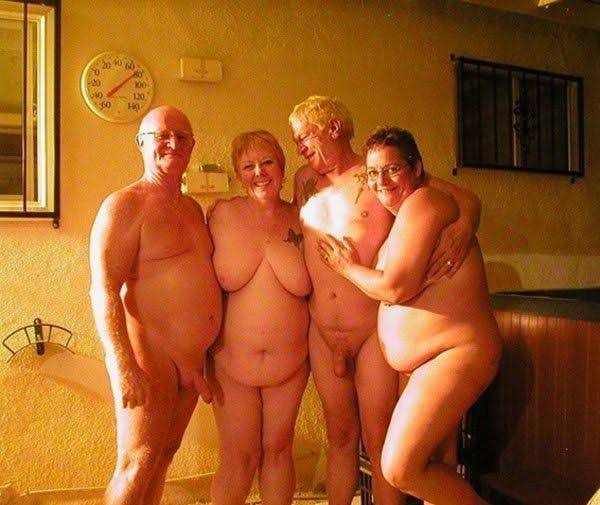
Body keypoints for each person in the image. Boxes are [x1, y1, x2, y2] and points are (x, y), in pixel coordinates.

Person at [289, 96, 482, 505]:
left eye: (305, 136)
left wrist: (465, 227)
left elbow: (465, 200)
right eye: (296, 140)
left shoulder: (379, 174)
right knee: (339, 436)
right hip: (322, 330)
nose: (300, 147)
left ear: (334, 128)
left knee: (379, 438)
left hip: (368, 331)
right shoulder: (303, 181)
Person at [89, 105, 222, 505]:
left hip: (189, 360)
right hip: (150, 354)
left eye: (182, 137)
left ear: (192, 147)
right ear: (141, 144)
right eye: (162, 135)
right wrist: (122, 366)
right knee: (138, 460)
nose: (172, 143)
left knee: (164, 455)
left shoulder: (192, 208)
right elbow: (103, 290)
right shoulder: (124, 205)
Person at [207, 130, 311, 505]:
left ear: (282, 168)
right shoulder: (220, 214)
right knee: (239, 457)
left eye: (267, 163)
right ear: (238, 174)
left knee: (279, 450)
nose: (259, 173)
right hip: (230, 363)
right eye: (248, 166)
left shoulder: (304, 218)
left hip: (292, 363)